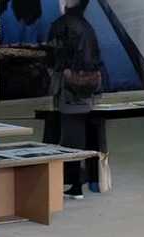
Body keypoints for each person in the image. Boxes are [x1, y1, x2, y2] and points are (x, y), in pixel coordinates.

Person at [45, 0, 104, 197]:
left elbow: (52, 56)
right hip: (88, 87)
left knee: (70, 138)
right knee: (83, 135)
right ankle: (88, 180)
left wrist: (58, 72)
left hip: (69, 89)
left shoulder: (61, 25)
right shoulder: (88, 26)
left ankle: (75, 184)